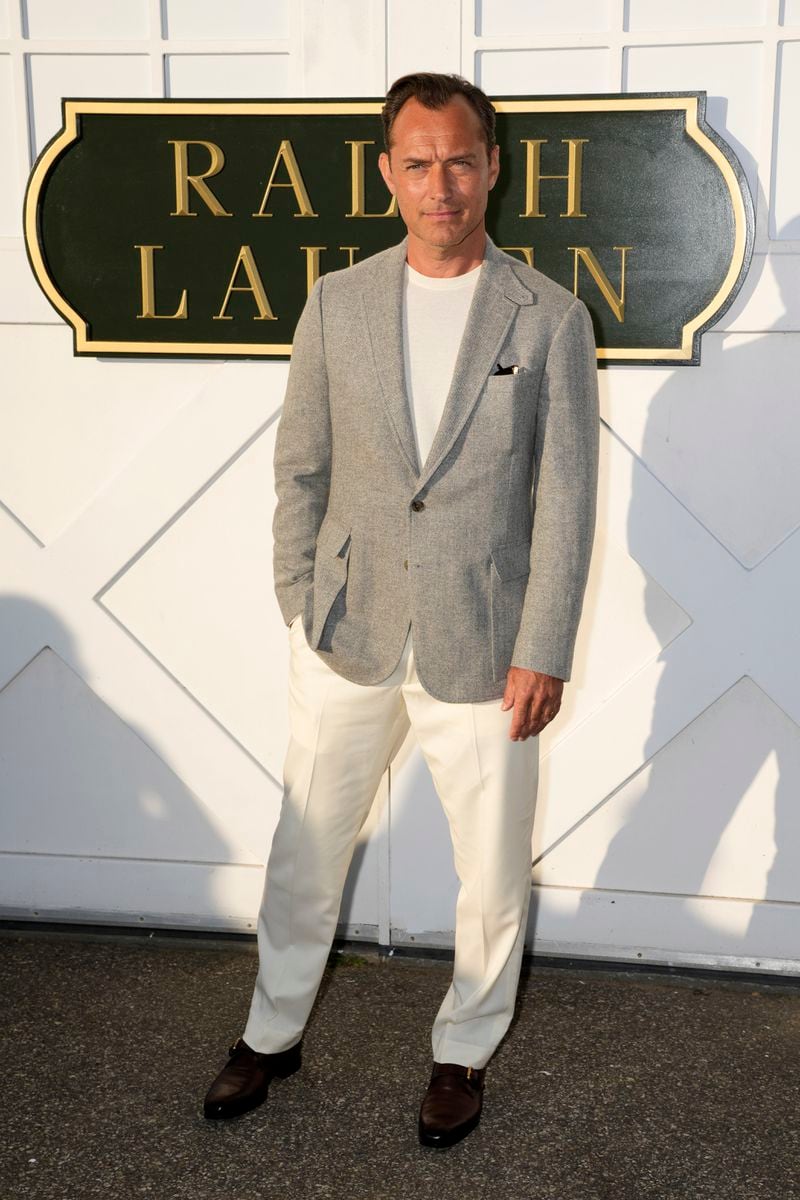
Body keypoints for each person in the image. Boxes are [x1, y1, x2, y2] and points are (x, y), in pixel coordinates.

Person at [203, 71, 600, 1149]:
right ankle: (269, 1033)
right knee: (305, 847)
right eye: (417, 162)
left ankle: (461, 1052)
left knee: (489, 864)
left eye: (459, 160)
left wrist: (543, 648)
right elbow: (301, 466)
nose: (440, 184)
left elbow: (564, 499)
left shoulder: (549, 317)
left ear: (491, 167)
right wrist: (299, 600)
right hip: (348, 631)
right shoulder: (336, 302)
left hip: (487, 643)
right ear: (387, 172)